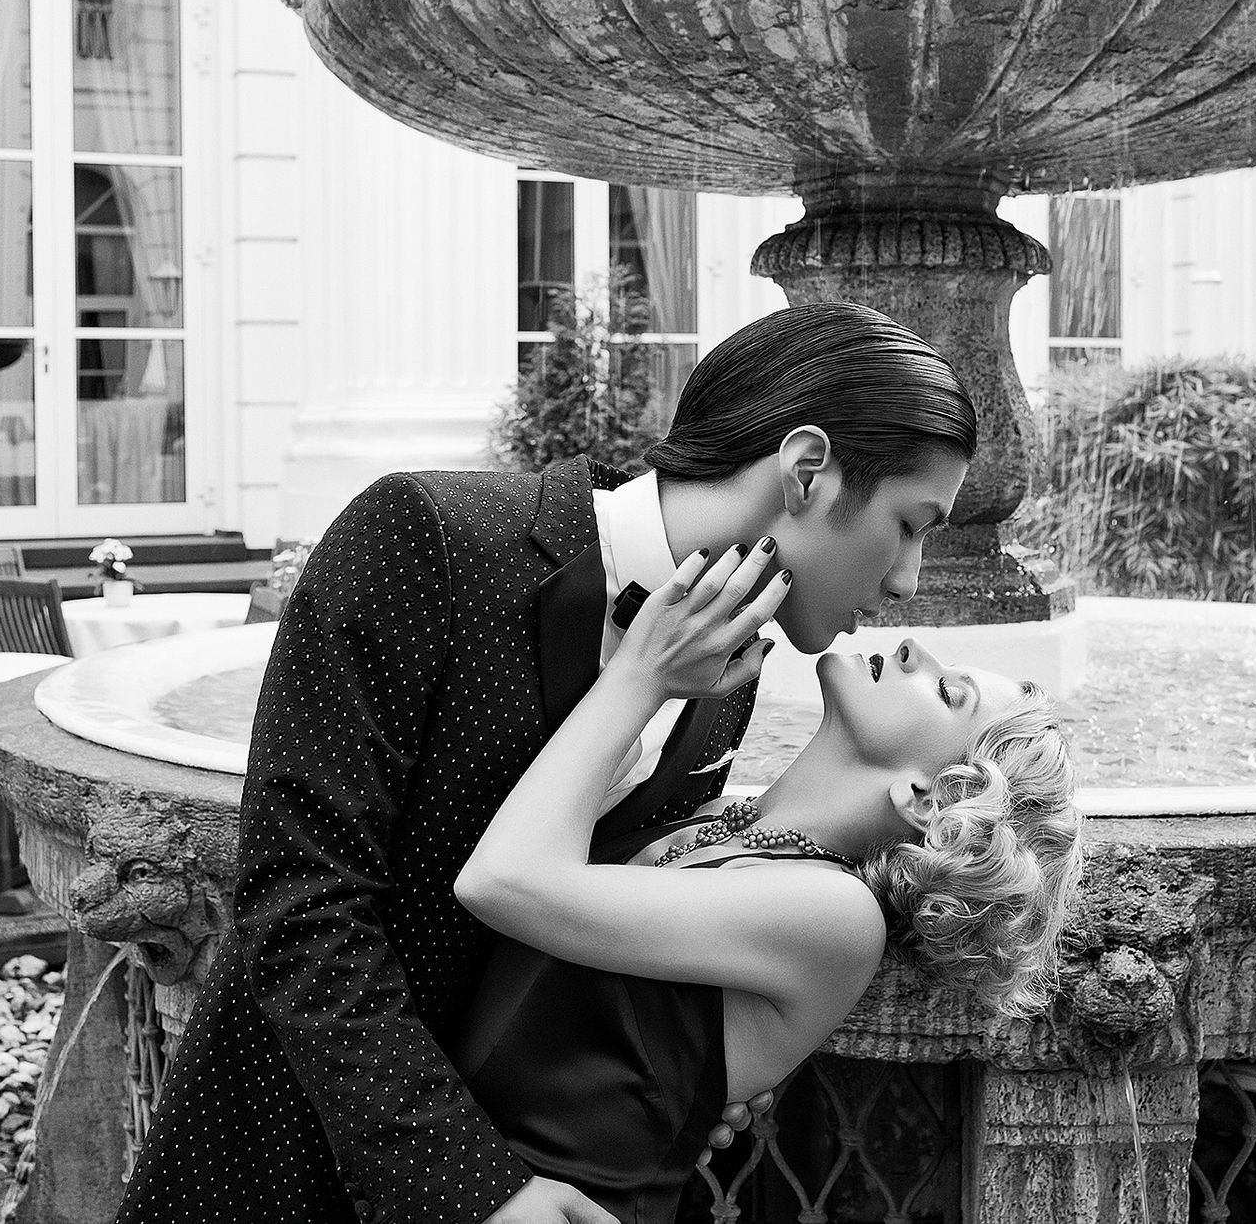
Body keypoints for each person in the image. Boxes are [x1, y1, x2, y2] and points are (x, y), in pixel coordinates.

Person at [117, 303, 982, 1224]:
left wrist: (700, 1064)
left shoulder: (730, 677)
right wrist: (478, 1188)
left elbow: (599, 927)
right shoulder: (424, 538)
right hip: (277, 1174)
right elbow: (298, 898)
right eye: (910, 523)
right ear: (807, 471)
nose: (907, 581)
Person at [455, 544, 1080, 1224]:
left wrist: (643, 672)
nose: (909, 648)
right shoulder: (724, 818)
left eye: (945, 689)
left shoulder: (836, 914)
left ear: (927, 798)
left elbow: (503, 881)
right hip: (459, 1178)